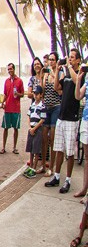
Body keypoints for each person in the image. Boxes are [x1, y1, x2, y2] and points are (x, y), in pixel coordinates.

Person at [45, 49, 83, 194]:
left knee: (70, 152)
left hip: (71, 119)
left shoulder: (80, 74)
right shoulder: (66, 73)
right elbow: (56, 87)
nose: (71, 60)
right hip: (61, 117)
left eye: (73, 58)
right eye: (70, 58)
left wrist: (68, 66)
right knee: (58, 148)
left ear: (78, 60)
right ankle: (57, 176)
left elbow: (76, 81)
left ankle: (68, 179)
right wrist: (58, 71)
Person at [41, 52, 61, 175]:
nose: (51, 62)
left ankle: (51, 167)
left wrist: (53, 73)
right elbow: (43, 89)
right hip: (46, 107)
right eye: (50, 60)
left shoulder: (59, 73)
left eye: (53, 60)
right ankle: (43, 165)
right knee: (44, 138)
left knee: (53, 138)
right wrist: (44, 76)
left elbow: (56, 88)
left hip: (56, 107)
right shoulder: (47, 74)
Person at [1, 62, 24, 155]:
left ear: (14, 69)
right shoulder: (6, 81)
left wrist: (17, 94)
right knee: (5, 128)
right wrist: (2, 102)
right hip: (7, 108)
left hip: (16, 109)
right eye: (8, 69)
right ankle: (3, 147)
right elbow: (5, 94)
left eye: (11, 69)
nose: (10, 70)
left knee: (15, 128)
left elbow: (22, 94)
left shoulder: (19, 81)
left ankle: (14, 147)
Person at [25, 86, 47, 174]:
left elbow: (42, 119)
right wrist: (30, 127)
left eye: (37, 94)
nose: (35, 95)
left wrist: (34, 128)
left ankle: (34, 167)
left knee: (36, 149)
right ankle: (31, 165)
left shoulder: (42, 106)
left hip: (38, 129)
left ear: (41, 95)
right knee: (30, 148)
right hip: (31, 128)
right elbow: (29, 116)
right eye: (34, 94)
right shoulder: (32, 105)